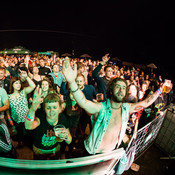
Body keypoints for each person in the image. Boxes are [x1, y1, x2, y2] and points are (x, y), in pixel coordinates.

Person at [62, 57, 166, 155]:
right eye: (118, 87)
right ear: (111, 90)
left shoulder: (126, 108)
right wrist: (71, 82)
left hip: (110, 153)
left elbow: (145, 103)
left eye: (124, 87)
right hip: (93, 153)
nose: (121, 90)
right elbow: (83, 102)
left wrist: (160, 90)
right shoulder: (101, 107)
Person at [25, 89, 72, 160]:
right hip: (40, 152)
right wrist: (33, 108)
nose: (52, 111)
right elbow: (28, 126)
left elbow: (69, 141)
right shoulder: (40, 117)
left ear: (60, 109)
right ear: (44, 109)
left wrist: (66, 136)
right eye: (48, 108)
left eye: (55, 107)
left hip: (54, 151)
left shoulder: (62, 119)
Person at [6, 72, 36, 147]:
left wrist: (26, 77)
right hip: (16, 119)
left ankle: (30, 145)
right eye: (16, 83)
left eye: (19, 83)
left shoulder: (23, 92)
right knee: (19, 133)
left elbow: (33, 86)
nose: (18, 85)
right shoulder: (8, 96)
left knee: (29, 133)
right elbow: (7, 109)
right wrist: (9, 118)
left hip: (26, 118)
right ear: (12, 84)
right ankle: (21, 143)